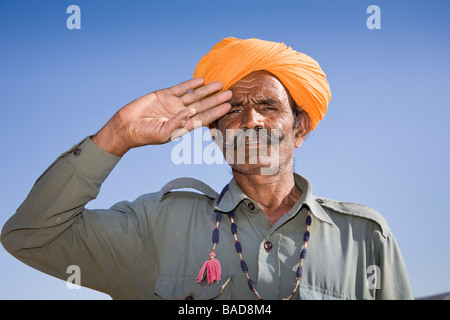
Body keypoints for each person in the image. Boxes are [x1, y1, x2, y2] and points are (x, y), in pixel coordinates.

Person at [1, 37, 413, 300]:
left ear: (299, 128)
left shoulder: (364, 238)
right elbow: (29, 237)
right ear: (216, 134)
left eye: (268, 106)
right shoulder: (157, 226)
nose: (251, 120)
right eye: (234, 109)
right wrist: (116, 135)